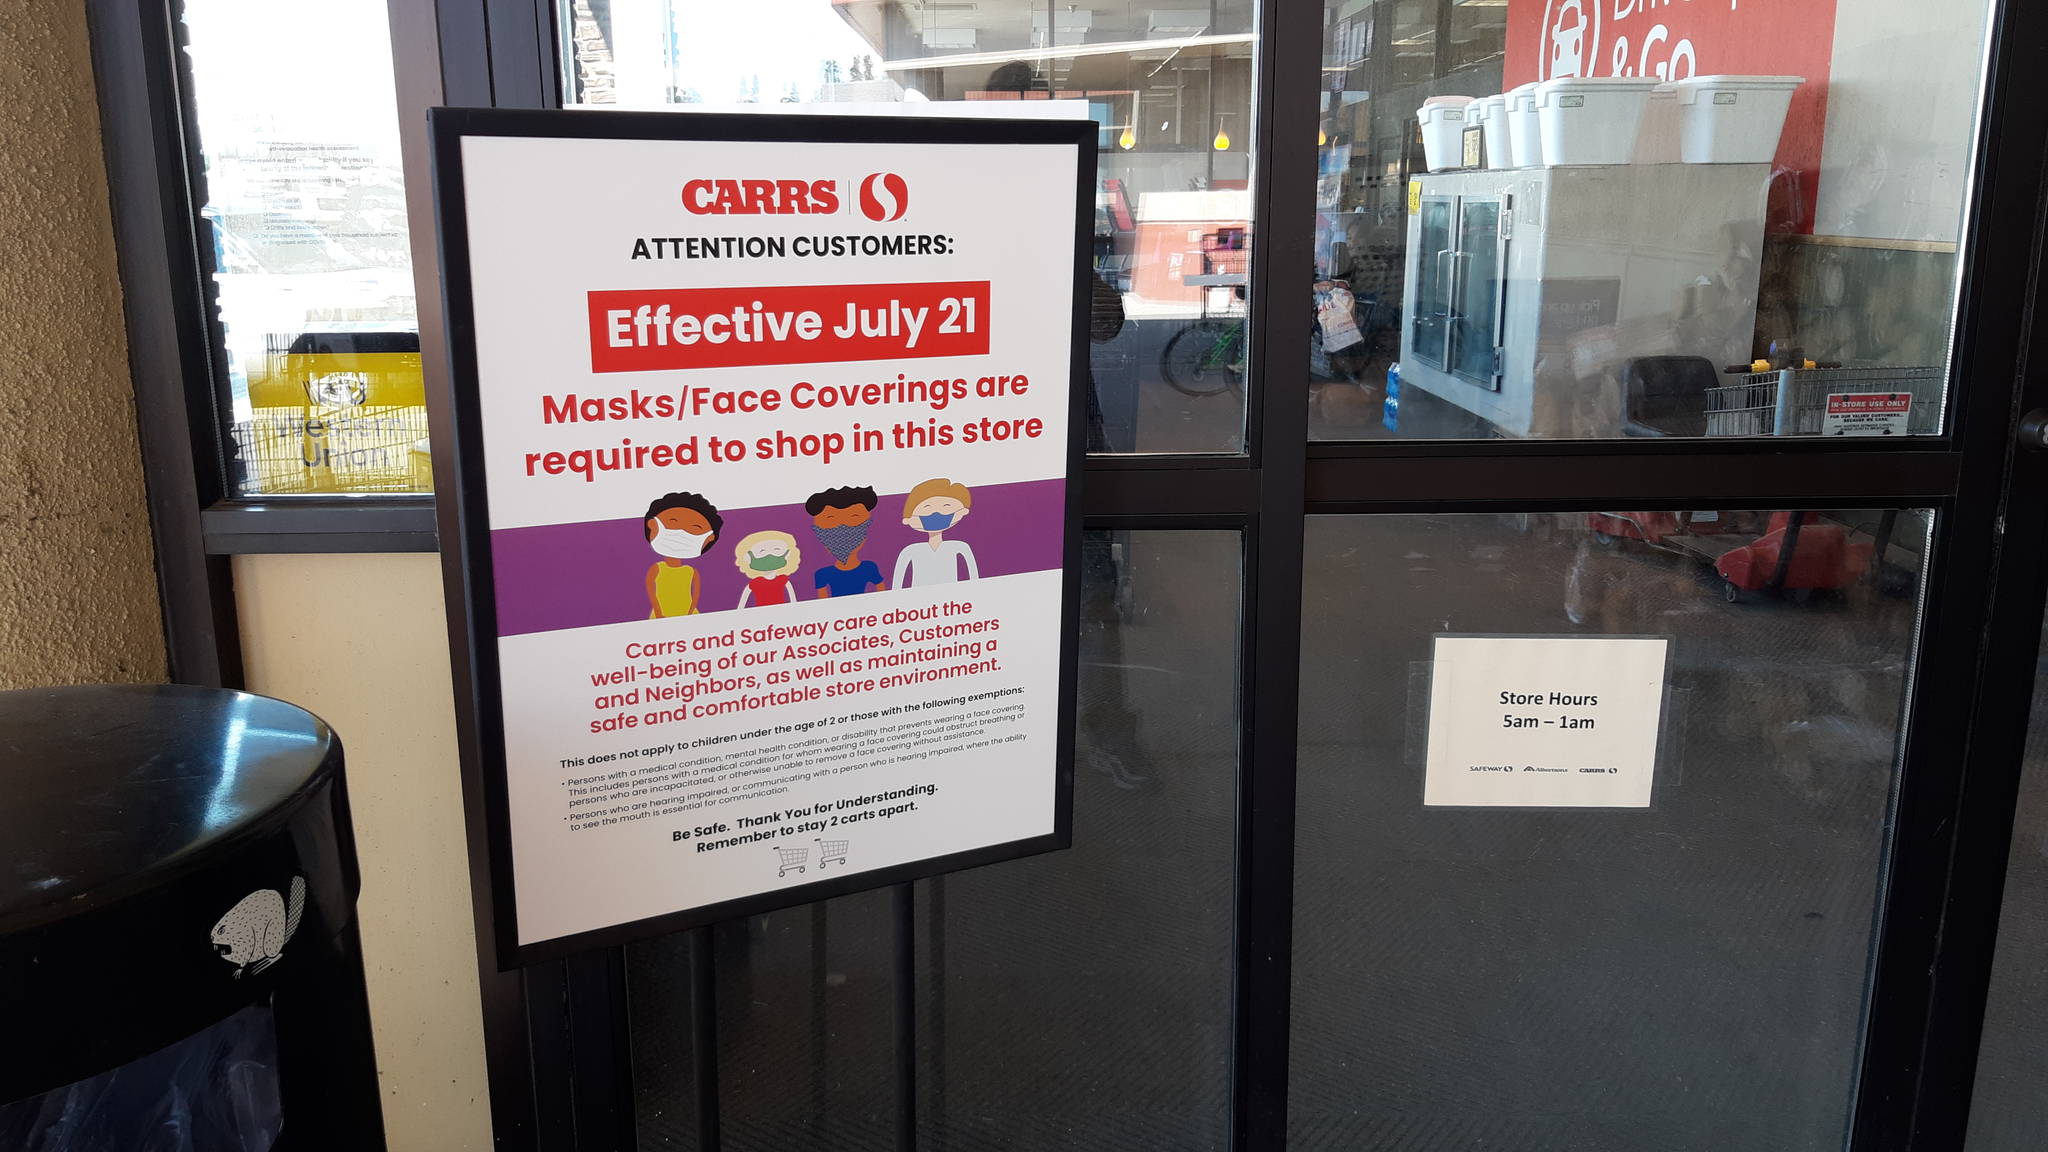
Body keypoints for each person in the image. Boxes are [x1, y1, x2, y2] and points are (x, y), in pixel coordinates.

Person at [643, 492, 722, 618]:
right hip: (661, 615)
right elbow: (651, 592)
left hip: (689, 615)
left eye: (695, 527)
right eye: (673, 522)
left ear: (709, 538)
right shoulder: (657, 569)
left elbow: (695, 595)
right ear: (652, 524)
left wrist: (690, 612)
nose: (681, 531)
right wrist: (658, 612)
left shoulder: (691, 571)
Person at [892, 478, 978, 588]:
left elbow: (974, 576)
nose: (936, 513)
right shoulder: (910, 550)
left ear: (962, 512)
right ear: (909, 519)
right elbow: (897, 584)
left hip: (954, 598)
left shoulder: (960, 546)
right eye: (927, 507)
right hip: (917, 600)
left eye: (946, 506)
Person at [806, 485, 887, 598]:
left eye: (854, 517)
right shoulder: (822, 574)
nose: (843, 527)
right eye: (830, 519)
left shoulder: (869, 568)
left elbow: (882, 594)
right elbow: (823, 603)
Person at [732, 530, 801, 608]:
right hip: (761, 615)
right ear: (748, 557)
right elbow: (741, 607)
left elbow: (793, 601)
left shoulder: (783, 580)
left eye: (777, 549)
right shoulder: (754, 584)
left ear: (788, 554)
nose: (769, 555)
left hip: (781, 612)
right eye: (762, 551)